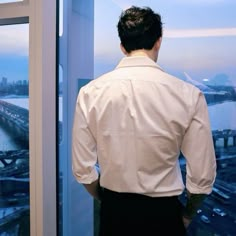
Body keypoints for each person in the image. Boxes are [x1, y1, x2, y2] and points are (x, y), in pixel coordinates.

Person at [72, 6, 216, 236]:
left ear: (122, 46)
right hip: (164, 215)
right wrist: (187, 215)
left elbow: (82, 169)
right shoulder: (188, 95)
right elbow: (202, 176)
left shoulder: (91, 93)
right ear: (159, 42)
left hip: (114, 214)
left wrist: (108, 201)